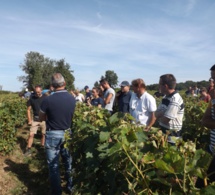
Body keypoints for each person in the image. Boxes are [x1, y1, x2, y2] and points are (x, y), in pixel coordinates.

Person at [39, 73, 76, 194]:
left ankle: (57, 192)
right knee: (68, 162)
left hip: (53, 133)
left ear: (52, 86)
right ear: (64, 84)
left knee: (54, 166)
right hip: (67, 133)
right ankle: (71, 187)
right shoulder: (72, 98)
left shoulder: (48, 100)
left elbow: (41, 117)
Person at [196, 64, 215, 188]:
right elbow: (204, 120)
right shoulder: (213, 98)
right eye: (213, 79)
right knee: (201, 185)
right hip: (212, 149)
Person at [155, 74, 184, 144]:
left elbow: (166, 119)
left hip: (172, 137)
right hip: (163, 135)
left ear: (165, 86)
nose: (159, 87)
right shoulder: (165, 97)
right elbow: (156, 114)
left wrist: (160, 115)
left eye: (160, 84)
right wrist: (161, 114)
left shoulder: (175, 99)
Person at [24, 85, 46, 156]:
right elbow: (28, 109)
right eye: (36, 92)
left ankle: (42, 146)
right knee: (31, 134)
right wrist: (29, 120)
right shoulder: (32, 98)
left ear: (41, 91)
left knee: (43, 134)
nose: (37, 93)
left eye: (39, 92)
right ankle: (29, 149)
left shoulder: (45, 98)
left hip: (44, 119)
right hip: (35, 119)